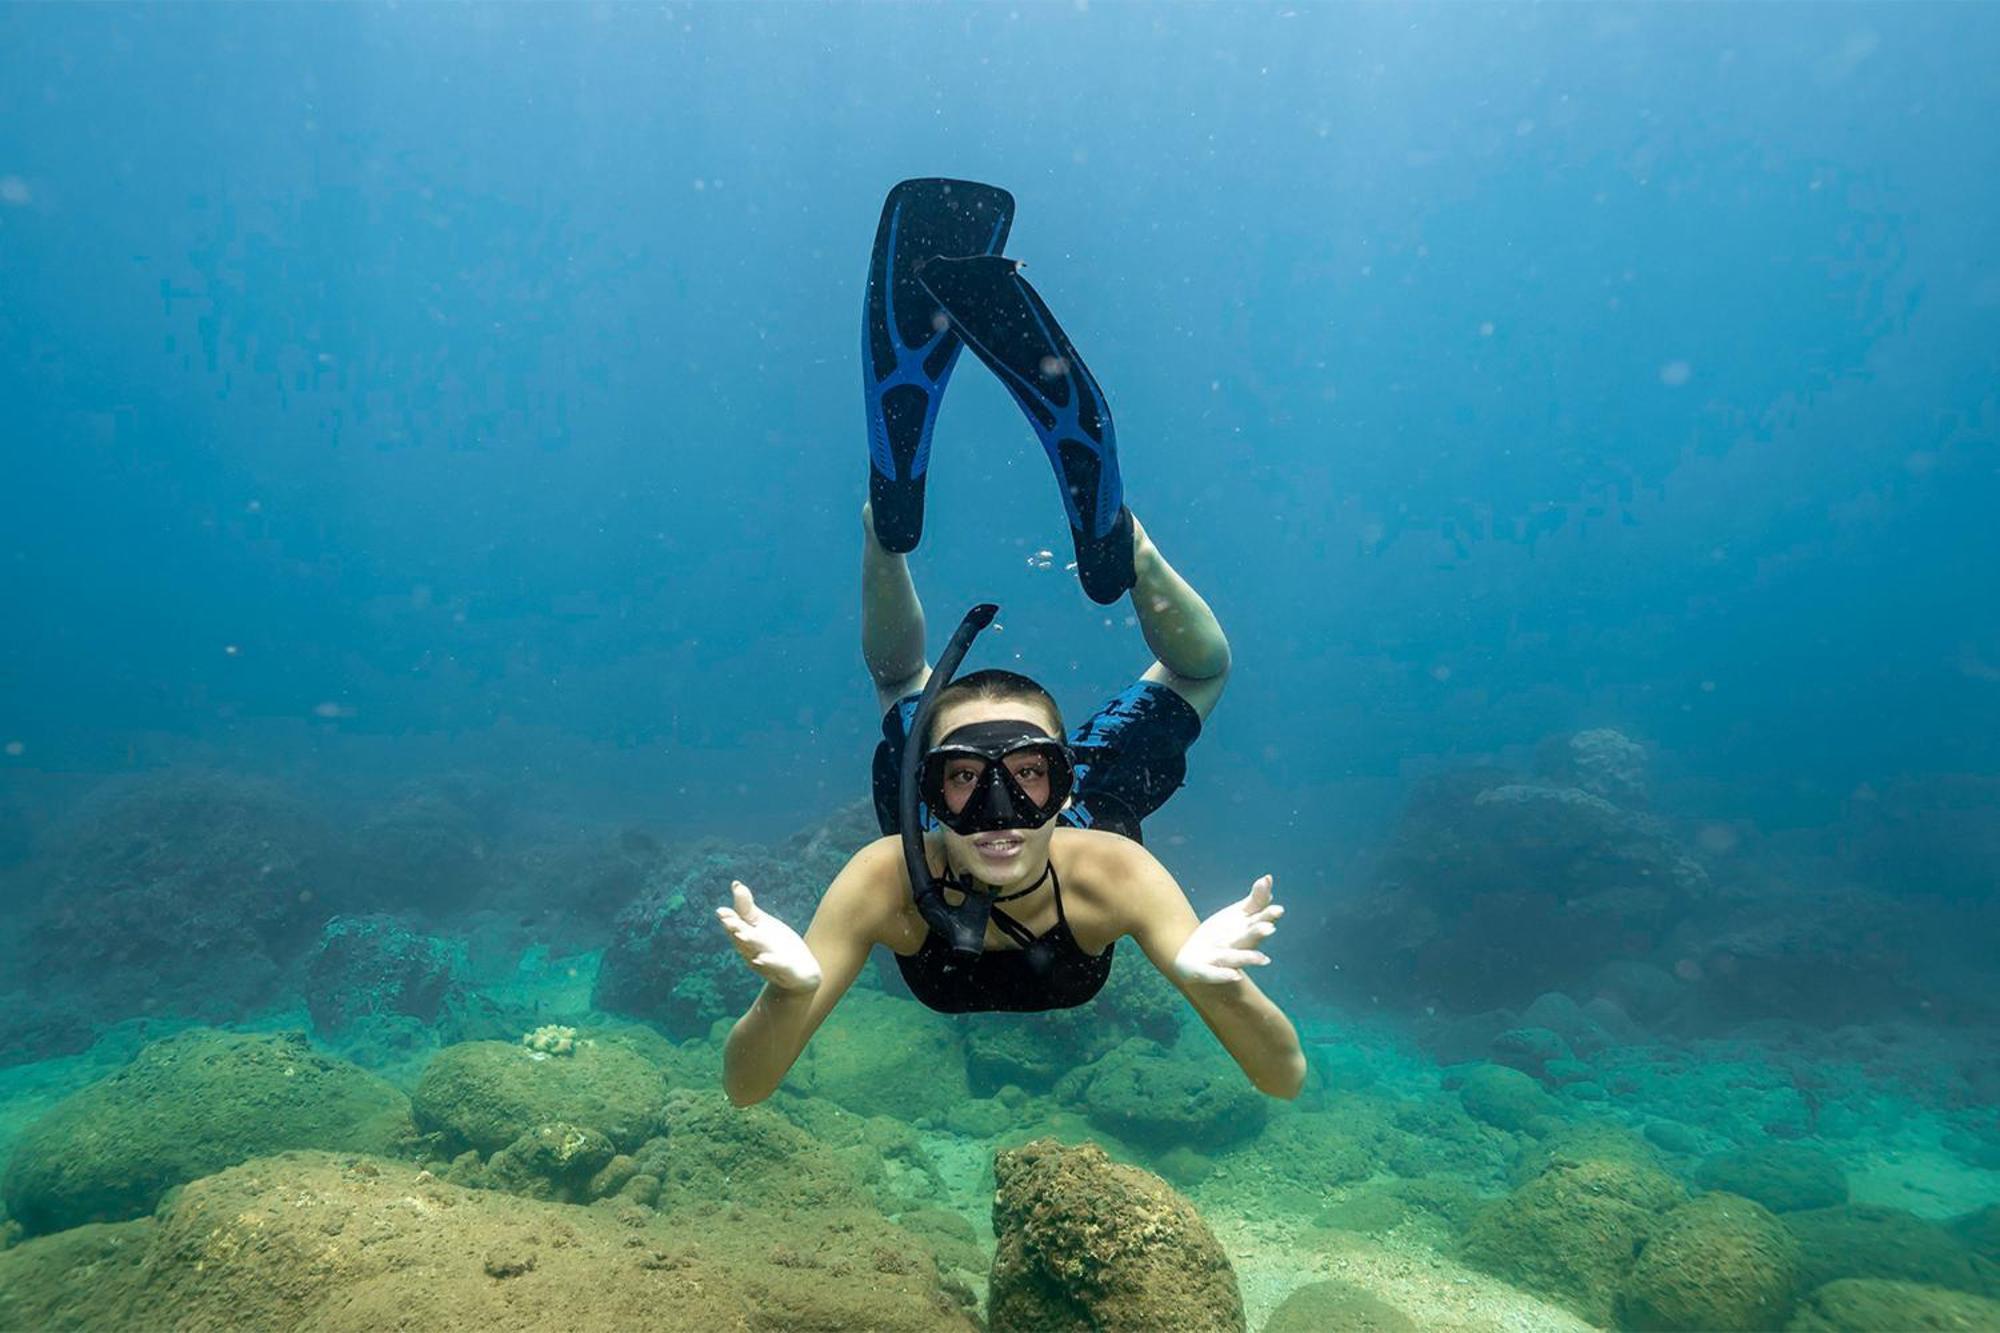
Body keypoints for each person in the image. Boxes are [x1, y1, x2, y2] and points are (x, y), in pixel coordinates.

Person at [716, 179, 1304, 1107]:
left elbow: (1280, 1075)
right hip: (934, 829)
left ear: (1064, 772)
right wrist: (781, 999)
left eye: (1028, 771)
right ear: (932, 784)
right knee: (925, 689)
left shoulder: (1109, 870)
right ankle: (901, 534)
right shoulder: (886, 879)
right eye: (963, 775)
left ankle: (1104, 544)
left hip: (1079, 825)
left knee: (903, 679)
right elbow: (745, 1085)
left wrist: (1217, 985)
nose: (997, 807)